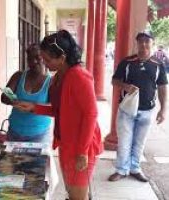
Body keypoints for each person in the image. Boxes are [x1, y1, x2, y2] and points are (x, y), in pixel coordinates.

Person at [14, 30, 103, 200]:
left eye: (48, 59)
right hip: (66, 143)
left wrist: (82, 152)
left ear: (62, 58)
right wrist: (34, 107)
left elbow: (91, 114)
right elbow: (60, 111)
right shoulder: (59, 77)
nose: (45, 64)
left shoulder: (79, 76)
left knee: (78, 195)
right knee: (71, 190)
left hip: (80, 146)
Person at [108, 31, 168, 182]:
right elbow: (114, 81)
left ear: (152, 43)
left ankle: (135, 168)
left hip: (147, 110)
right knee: (124, 141)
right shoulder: (127, 62)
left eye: (147, 41)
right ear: (137, 43)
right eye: (141, 41)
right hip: (126, 110)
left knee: (139, 142)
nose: (144, 44)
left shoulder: (158, 65)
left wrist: (163, 109)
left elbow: (162, 87)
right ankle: (121, 169)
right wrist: (126, 86)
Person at [1, 44, 52, 143]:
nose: (34, 61)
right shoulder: (18, 76)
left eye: (38, 57)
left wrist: (33, 107)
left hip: (39, 135)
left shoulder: (51, 82)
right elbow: (4, 96)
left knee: (38, 159)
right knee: (11, 159)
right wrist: (14, 101)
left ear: (44, 58)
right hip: (14, 132)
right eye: (30, 58)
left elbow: (53, 107)